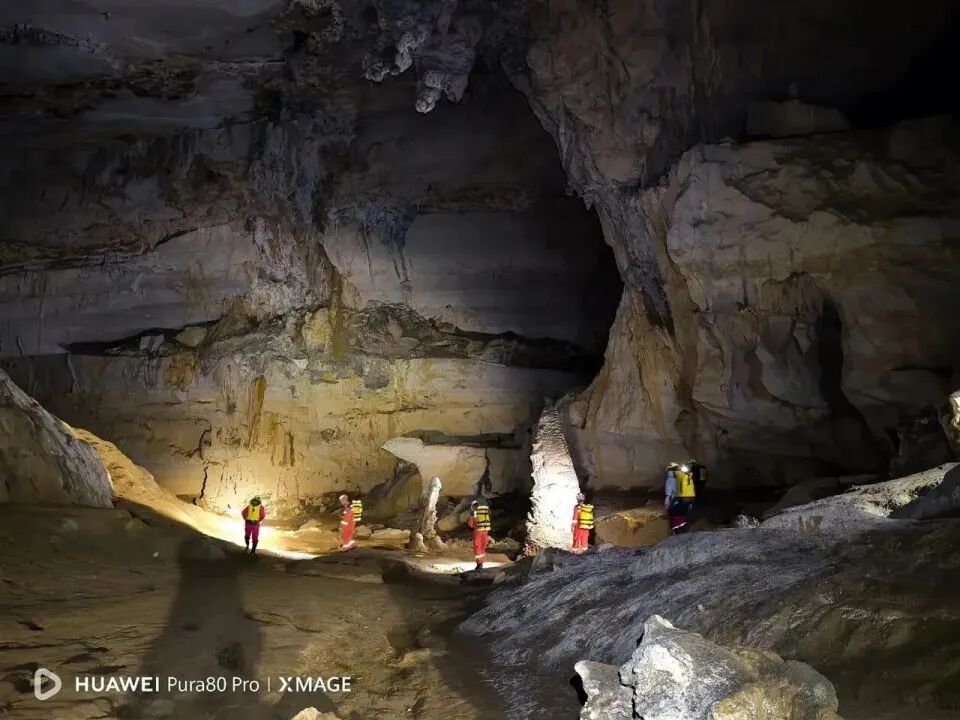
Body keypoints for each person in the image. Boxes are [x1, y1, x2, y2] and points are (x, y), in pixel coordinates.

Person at [664, 462, 696, 534]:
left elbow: (668, 493)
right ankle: (682, 530)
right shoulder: (683, 476)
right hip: (685, 499)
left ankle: (677, 533)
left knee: (675, 517)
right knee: (682, 516)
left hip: (675, 501)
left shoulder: (670, 479)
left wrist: (666, 503)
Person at [467, 498, 491, 569]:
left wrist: (470, 518)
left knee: (477, 547)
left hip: (478, 531)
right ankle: (481, 562)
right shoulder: (484, 512)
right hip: (485, 531)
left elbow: (470, 525)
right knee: (482, 547)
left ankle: (479, 563)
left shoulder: (474, 513)